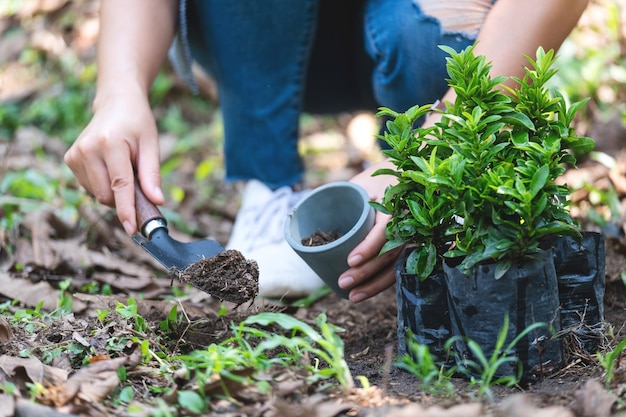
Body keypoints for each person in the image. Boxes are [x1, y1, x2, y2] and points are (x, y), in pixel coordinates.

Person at [64, 0, 589, 303]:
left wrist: (437, 146)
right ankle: (268, 185)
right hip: (256, 25)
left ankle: (432, 202)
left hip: (422, 25)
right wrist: (119, 89)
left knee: (424, 40)